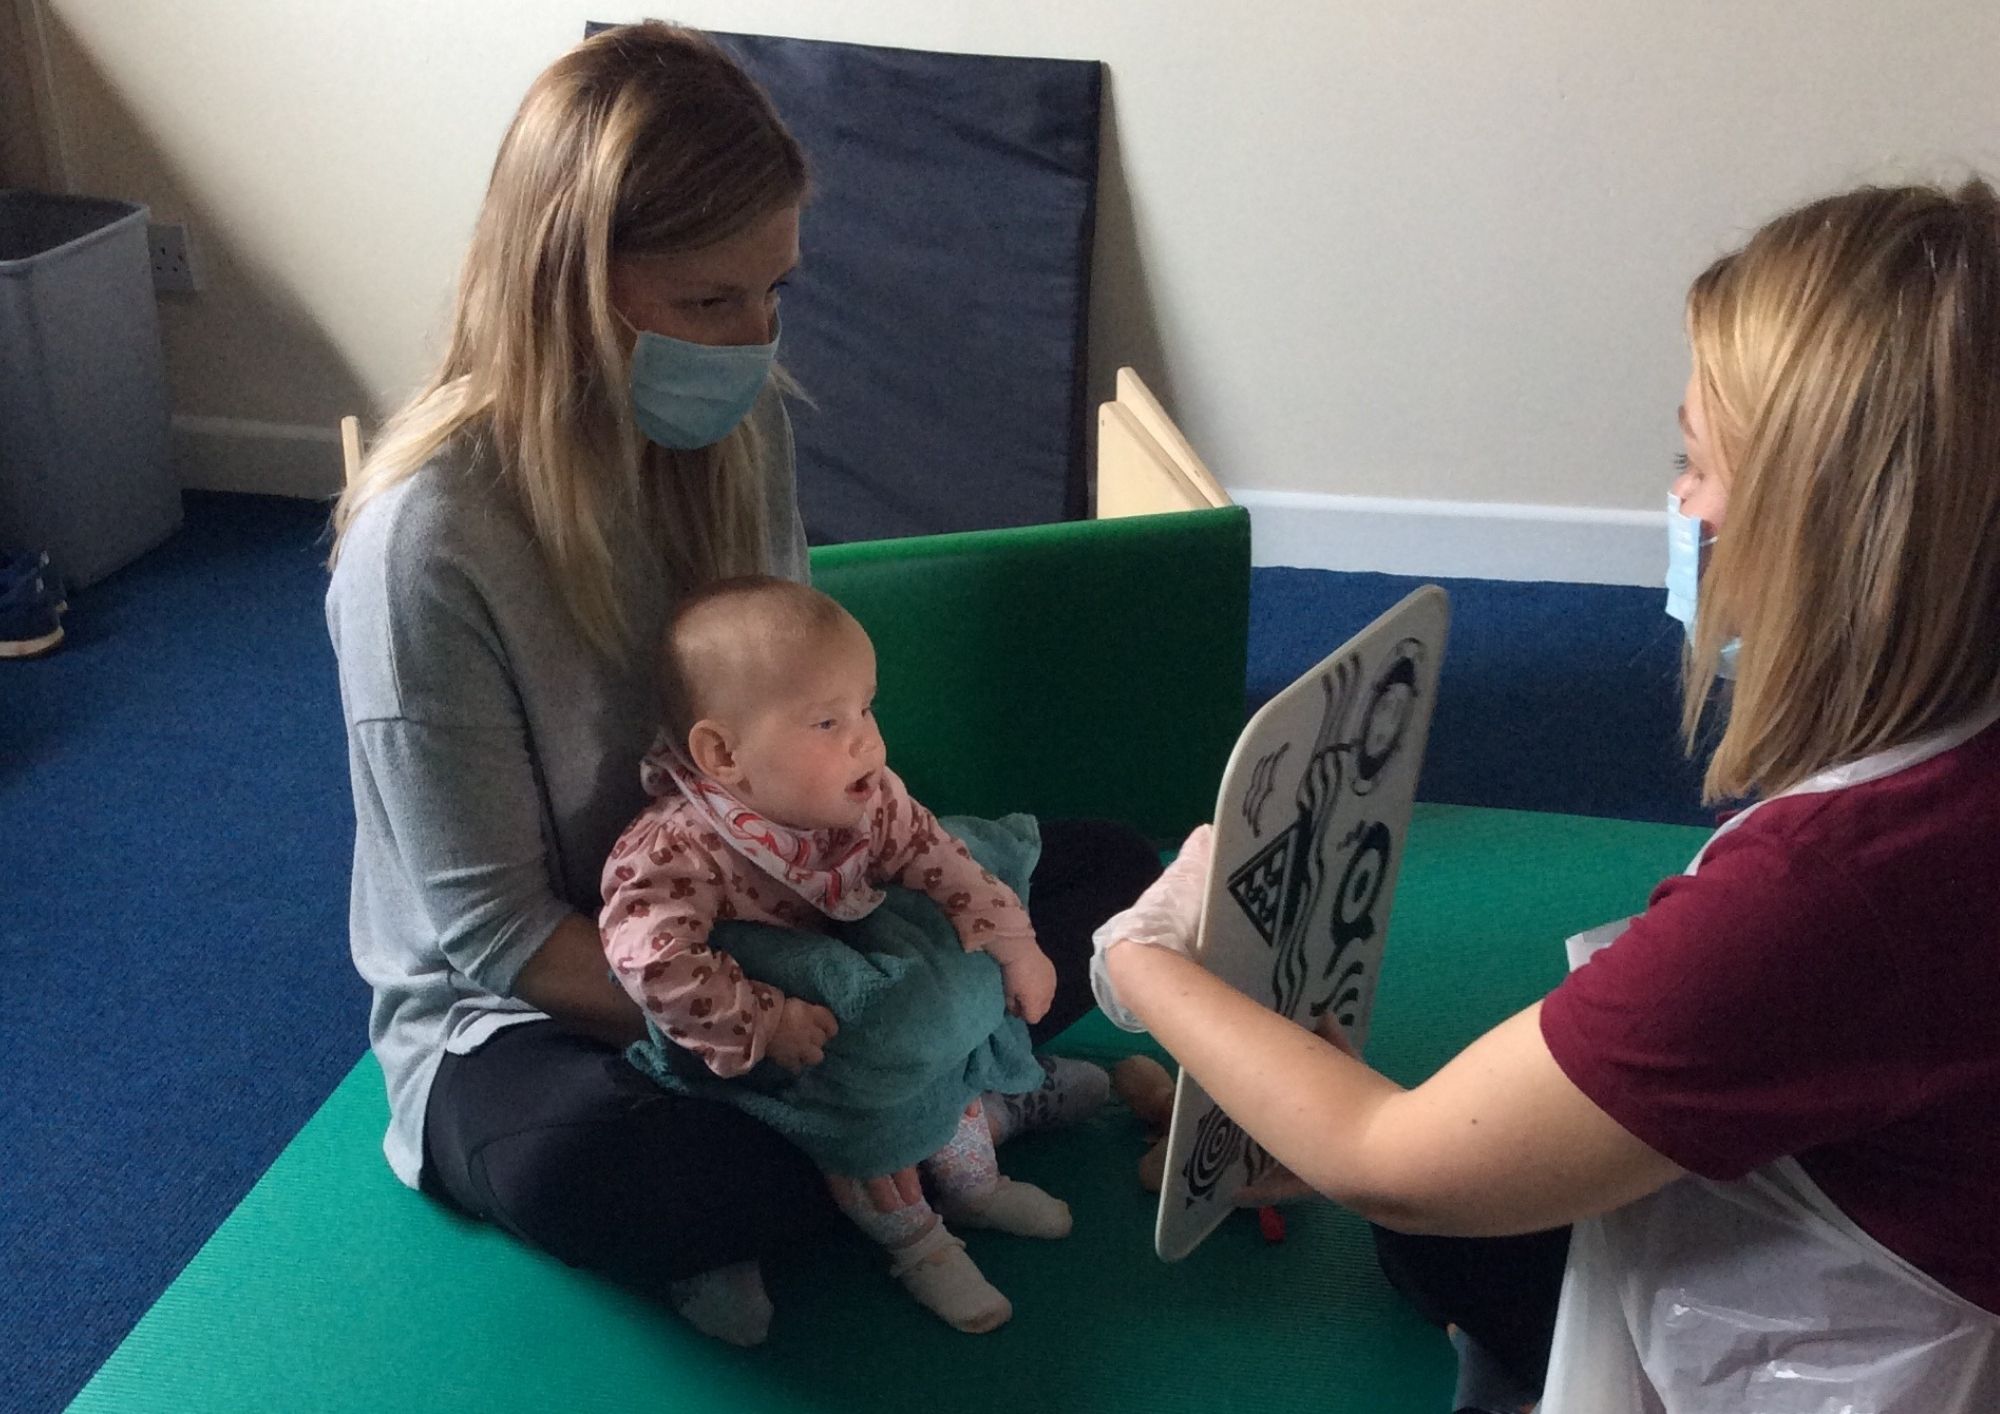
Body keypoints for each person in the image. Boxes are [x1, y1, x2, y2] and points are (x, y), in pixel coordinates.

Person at [1093, 178, 2000, 1413]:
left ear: (1821, 527)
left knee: (1435, 1220)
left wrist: (1144, 962)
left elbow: (1393, 1160)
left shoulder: (1828, 890)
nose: (1679, 503)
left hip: (1890, 1331)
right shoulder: (1939, 774)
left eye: (1695, 462)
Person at [325, 21, 1154, 1348]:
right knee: (613, 1173)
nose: (756, 337)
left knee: (1115, 879)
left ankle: (903, 1115)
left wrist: (912, 928)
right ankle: (950, 1107)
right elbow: (493, 937)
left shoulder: (736, 425)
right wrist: (796, 1018)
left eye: (774, 292)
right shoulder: (425, 543)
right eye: (712, 302)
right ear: (568, 286)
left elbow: (797, 746)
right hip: (561, 1002)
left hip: (790, 906)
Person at [602, 576, 1076, 1335]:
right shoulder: (677, 847)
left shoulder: (868, 795)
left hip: (857, 968)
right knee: (859, 1113)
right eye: (828, 721)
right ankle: (920, 1246)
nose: (867, 739)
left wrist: (1014, 941)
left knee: (938, 1050)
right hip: (762, 1025)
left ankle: (975, 1184)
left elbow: (938, 855)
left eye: (867, 707)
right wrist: (764, 1020)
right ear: (723, 752)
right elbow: (650, 962)